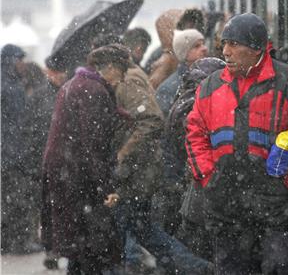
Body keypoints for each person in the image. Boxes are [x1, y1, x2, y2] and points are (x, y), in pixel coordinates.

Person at [185, 13, 288, 274]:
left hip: (277, 211)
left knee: (283, 266)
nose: (225, 51)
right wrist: (210, 179)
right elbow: (195, 135)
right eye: (225, 43)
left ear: (257, 48)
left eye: (234, 44)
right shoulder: (210, 86)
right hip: (227, 210)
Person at [103, 39, 212, 275]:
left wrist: (122, 153)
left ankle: (197, 268)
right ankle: (198, 268)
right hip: (140, 171)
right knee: (143, 230)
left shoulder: (128, 81)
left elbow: (151, 120)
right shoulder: (131, 77)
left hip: (135, 172)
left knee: (129, 228)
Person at [41, 44, 130, 274]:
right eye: (122, 71)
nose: (123, 77)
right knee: (92, 245)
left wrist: (119, 113)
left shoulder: (76, 84)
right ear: (110, 68)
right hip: (77, 177)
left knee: (78, 245)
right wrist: (105, 187)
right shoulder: (93, 90)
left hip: (65, 173)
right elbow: (93, 145)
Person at [163, 57, 225, 260]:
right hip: (200, 192)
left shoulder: (184, 97)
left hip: (193, 194)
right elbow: (195, 146)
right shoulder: (197, 103)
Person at [20, 59, 69, 267]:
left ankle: (57, 248)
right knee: (50, 207)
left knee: (58, 206)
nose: (60, 76)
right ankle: (52, 249)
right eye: (56, 72)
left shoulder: (65, 92)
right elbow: (32, 131)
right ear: (49, 72)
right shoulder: (43, 95)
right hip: (46, 159)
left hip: (60, 158)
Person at [1, 44, 32, 254]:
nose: (23, 64)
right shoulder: (6, 86)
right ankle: (17, 241)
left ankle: (9, 240)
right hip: (9, 152)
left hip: (14, 150)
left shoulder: (14, 84)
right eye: (19, 59)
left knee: (11, 199)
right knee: (15, 199)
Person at [156, 28, 208, 116]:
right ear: (184, 53)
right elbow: (168, 123)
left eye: (203, 44)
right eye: (196, 46)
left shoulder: (213, 77)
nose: (204, 48)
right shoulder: (167, 89)